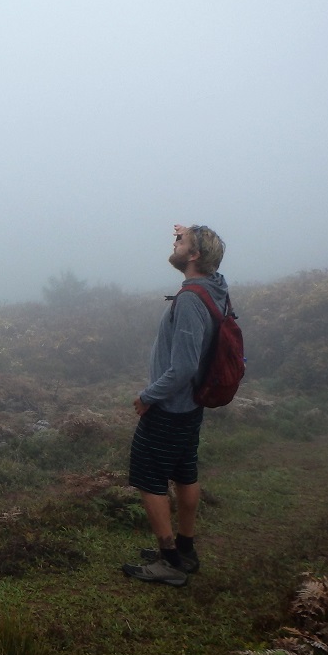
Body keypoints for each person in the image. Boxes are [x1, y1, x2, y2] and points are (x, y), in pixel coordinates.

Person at [122, 223, 229, 587]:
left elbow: (182, 367)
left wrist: (147, 396)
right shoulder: (215, 289)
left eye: (180, 242)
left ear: (195, 255)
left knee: (148, 478)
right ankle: (186, 549)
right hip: (191, 406)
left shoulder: (189, 300)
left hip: (170, 406)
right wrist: (194, 231)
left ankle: (169, 560)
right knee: (185, 473)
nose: (174, 243)